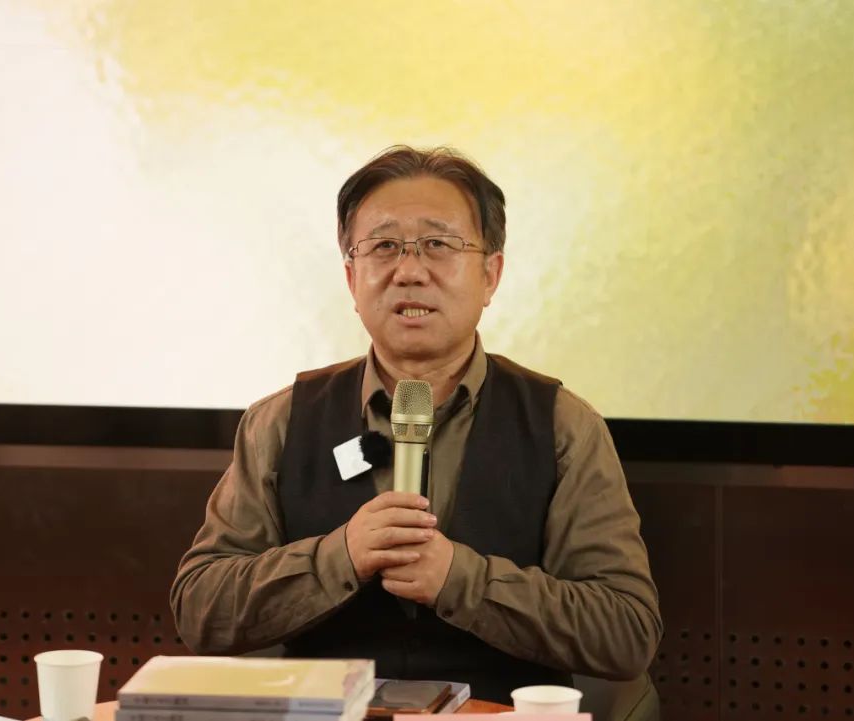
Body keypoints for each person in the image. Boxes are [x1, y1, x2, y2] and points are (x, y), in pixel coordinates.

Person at [170, 146, 662, 704]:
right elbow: (201, 609)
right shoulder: (280, 422)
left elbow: (627, 631)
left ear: (491, 274)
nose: (409, 271)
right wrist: (340, 556)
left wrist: (460, 580)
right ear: (352, 279)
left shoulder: (562, 425)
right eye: (383, 247)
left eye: (438, 244)